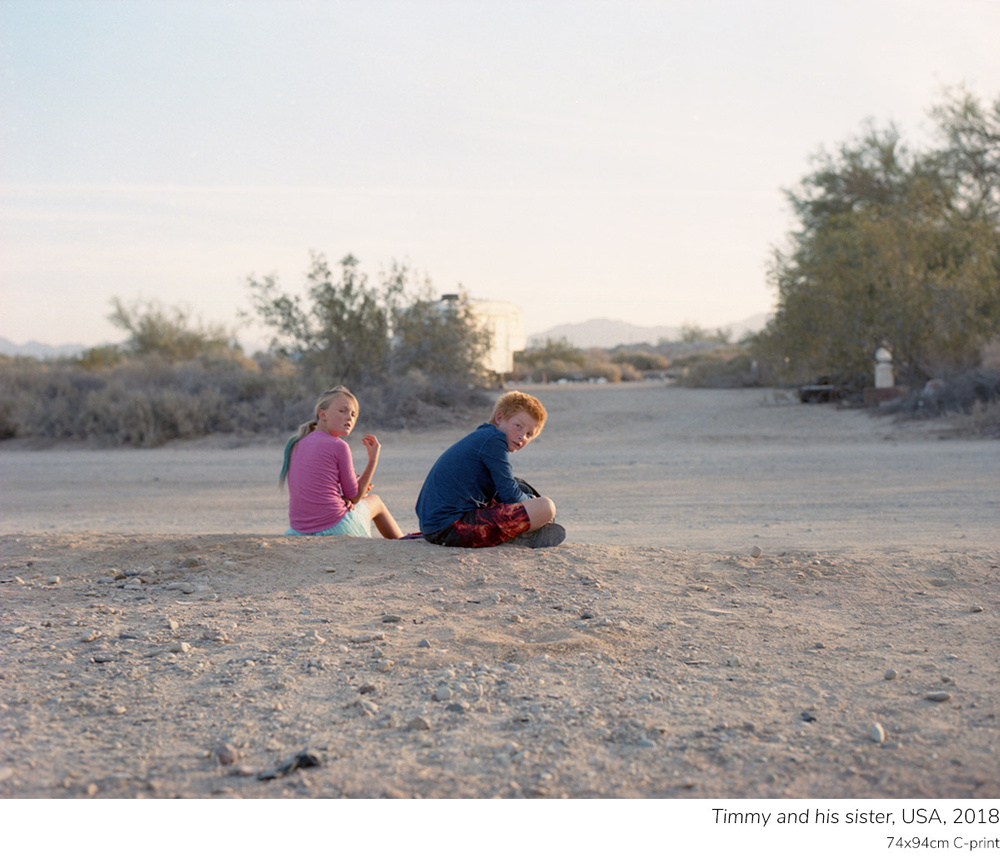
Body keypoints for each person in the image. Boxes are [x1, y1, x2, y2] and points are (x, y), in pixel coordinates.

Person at [416, 390, 564, 548]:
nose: (522, 436)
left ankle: (526, 527)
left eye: (529, 434)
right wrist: (531, 502)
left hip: (434, 527)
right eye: (518, 426)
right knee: (546, 506)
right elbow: (511, 496)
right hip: (449, 528)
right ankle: (520, 535)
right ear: (499, 418)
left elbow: (506, 489)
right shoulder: (494, 440)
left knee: (521, 487)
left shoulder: (485, 436)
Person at [279, 386, 403, 539]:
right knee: (376, 501)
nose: (349, 417)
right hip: (334, 525)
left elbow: (317, 488)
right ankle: (402, 543)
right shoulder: (339, 446)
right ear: (322, 415)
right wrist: (373, 459)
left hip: (299, 528)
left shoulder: (297, 443)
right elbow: (355, 497)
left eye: (353, 414)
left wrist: (347, 495)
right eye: (342, 411)